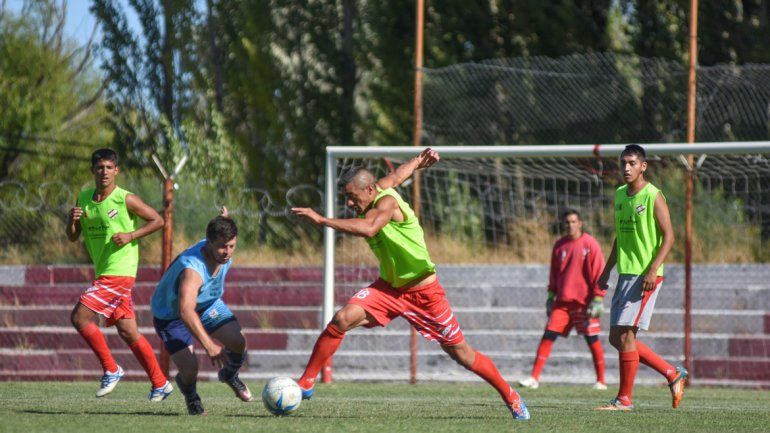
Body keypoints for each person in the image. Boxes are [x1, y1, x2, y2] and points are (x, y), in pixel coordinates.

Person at [292, 148, 531, 421]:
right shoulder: (377, 189)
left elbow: (370, 228)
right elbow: (396, 176)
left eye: (351, 197)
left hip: (424, 292)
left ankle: (511, 396)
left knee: (462, 354)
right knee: (342, 318)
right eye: (346, 197)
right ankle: (306, 382)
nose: (349, 203)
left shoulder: (386, 205)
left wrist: (321, 220)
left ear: (369, 190)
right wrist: (417, 161)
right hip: (390, 288)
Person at [66, 148, 172, 400]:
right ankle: (160, 383)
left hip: (119, 272)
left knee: (79, 317)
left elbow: (158, 220)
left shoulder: (125, 199)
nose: (104, 172)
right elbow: (72, 237)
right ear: (93, 171)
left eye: (109, 167)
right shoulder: (83, 198)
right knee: (128, 331)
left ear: (116, 171)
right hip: (105, 271)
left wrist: (130, 236)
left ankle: (111, 369)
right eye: (100, 167)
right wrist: (71, 220)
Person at [595, 144, 687, 411]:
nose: (626, 168)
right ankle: (671, 373)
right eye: (623, 163)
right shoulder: (620, 194)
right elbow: (619, 237)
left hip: (646, 275)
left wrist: (652, 269)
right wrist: (606, 270)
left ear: (643, 166)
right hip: (625, 272)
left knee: (626, 336)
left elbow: (669, 236)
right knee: (617, 338)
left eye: (632, 163)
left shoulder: (653, 195)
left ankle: (624, 399)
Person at [151, 208, 251, 415]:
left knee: (238, 342)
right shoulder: (193, 269)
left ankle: (229, 374)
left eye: (232, 246)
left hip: (206, 303)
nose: (227, 252)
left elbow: (224, 227)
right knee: (190, 369)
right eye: (222, 247)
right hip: (171, 316)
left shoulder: (221, 242)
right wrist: (210, 346)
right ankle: (191, 397)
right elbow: (185, 311)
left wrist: (225, 217)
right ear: (209, 242)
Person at [518, 209, 607, 390]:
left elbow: (599, 271)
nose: (570, 225)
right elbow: (554, 273)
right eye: (567, 222)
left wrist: (598, 297)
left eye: (574, 221)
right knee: (548, 335)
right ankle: (534, 378)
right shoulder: (559, 246)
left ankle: (601, 381)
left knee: (592, 339)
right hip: (563, 302)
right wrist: (551, 296)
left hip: (584, 302)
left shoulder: (590, 244)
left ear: (580, 223)